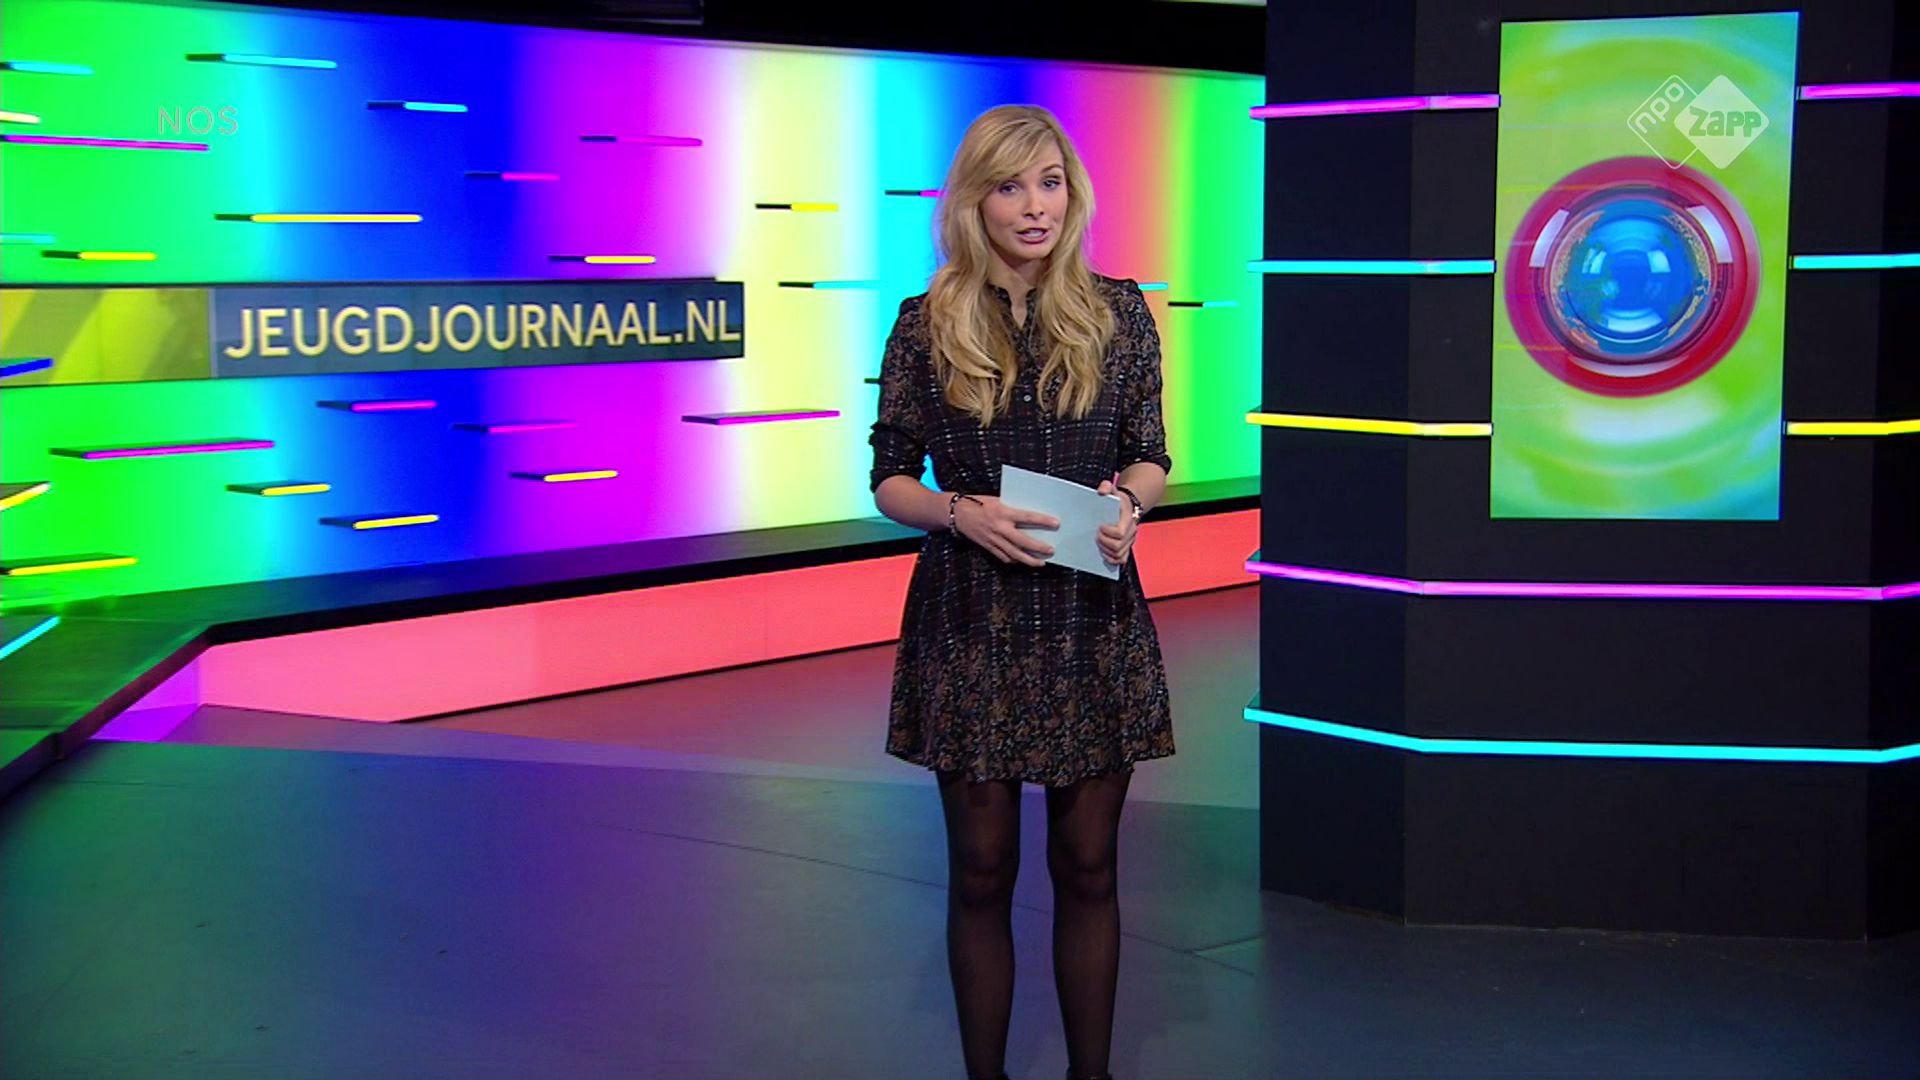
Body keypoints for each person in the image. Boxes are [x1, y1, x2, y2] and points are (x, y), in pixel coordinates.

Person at [867, 103, 1175, 1080]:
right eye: (1010, 186)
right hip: (971, 621)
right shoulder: (924, 325)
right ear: (974, 201)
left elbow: (1151, 454)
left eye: (1051, 183)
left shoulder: (1119, 313)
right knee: (981, 871)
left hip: (1090, 617)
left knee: (1088, 868)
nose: (1036, 206)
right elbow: (889, 480)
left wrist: (1128, 502)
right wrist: (959, 512)